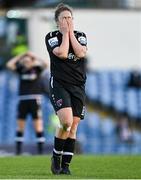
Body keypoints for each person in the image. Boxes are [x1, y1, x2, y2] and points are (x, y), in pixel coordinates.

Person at [45, 3, 87, 175]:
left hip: (78, 85)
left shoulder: (81, 35)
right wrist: (64, 35)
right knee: (66, 122)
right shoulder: (51, 36)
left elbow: (80, 53)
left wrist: (70, 34)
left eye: (70, 18)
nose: (68, 21)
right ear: (57, 22)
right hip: (60, 84)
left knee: (74, 126)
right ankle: (56, 157)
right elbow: (62, 53)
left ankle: (66, 166)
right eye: (64, 18)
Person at [6, 51, 48, 155]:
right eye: (24, 60)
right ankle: (18, 151)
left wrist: (35, 56)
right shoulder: (21, 70)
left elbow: (46, 64)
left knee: (38, 126)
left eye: (28, 60)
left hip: (34, 99)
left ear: (32, 61)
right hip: (23, 99)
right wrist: (21, 55)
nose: (26, 62)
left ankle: (40, 151)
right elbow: (9, 64)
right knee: (20, 126)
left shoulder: (37, 69)